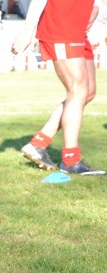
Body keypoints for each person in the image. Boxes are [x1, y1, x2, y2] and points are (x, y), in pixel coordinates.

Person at [12, 0, 104, 175]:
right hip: (61, 28)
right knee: (77, 91)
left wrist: (96, 11)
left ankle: (38, 144)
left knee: (88, 92)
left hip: (79, 30)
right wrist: (28, 30)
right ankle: (71, 160)